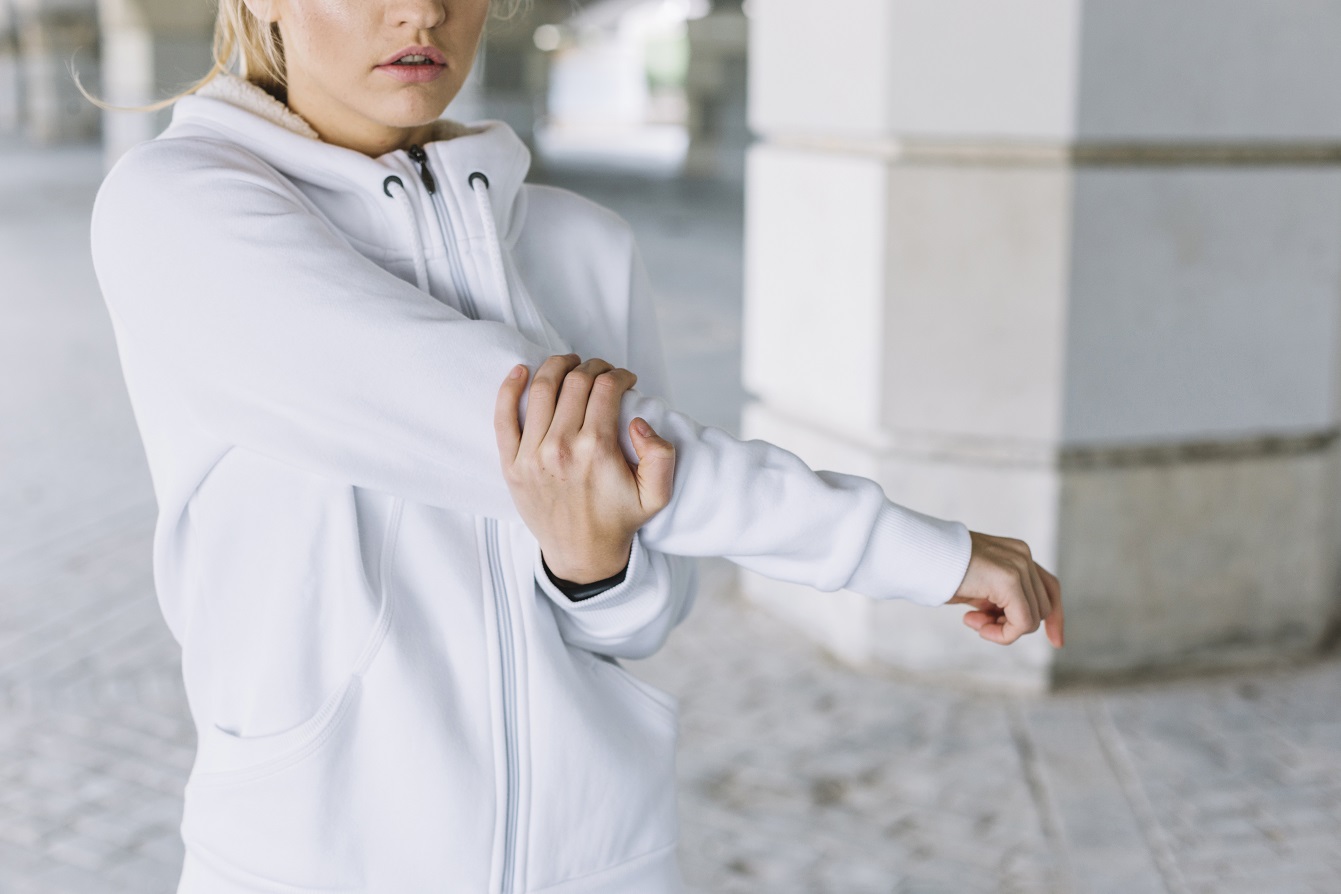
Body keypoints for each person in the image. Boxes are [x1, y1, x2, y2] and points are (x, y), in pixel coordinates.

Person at [87, 0, 1064, 891]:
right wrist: (916, 552)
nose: (421, 11)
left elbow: (644, 616)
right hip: (317, 864)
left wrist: (592, 566)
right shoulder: (180, 209)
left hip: (600, 862)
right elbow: (561, 438)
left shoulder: (579, 243)